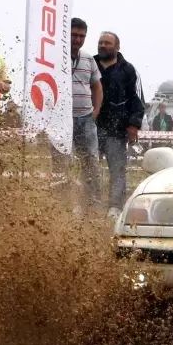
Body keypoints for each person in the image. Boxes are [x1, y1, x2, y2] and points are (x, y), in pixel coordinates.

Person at [95, 31, 145, 217]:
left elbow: (137, 98)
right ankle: (89, 203)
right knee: (89, 167)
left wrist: (134, 124)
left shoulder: (128, 70)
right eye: (101, 42)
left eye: (107, 43)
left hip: (116, 129)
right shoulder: (90, 64)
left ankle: (115, 207)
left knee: (117, 169)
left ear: (117, 47)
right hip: (91, 127)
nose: (103, 45)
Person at [60, 17, 103, 206]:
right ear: (65, 34)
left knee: (91, 160)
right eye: (74, 35)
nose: (77, 39)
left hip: (86, 118)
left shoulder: (88, 59)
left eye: (81, 36)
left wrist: (96, 111)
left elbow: (97, 86)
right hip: (62, 119)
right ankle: (63, 203)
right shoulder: (54, 57)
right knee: (62, 161)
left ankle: (92, 202)